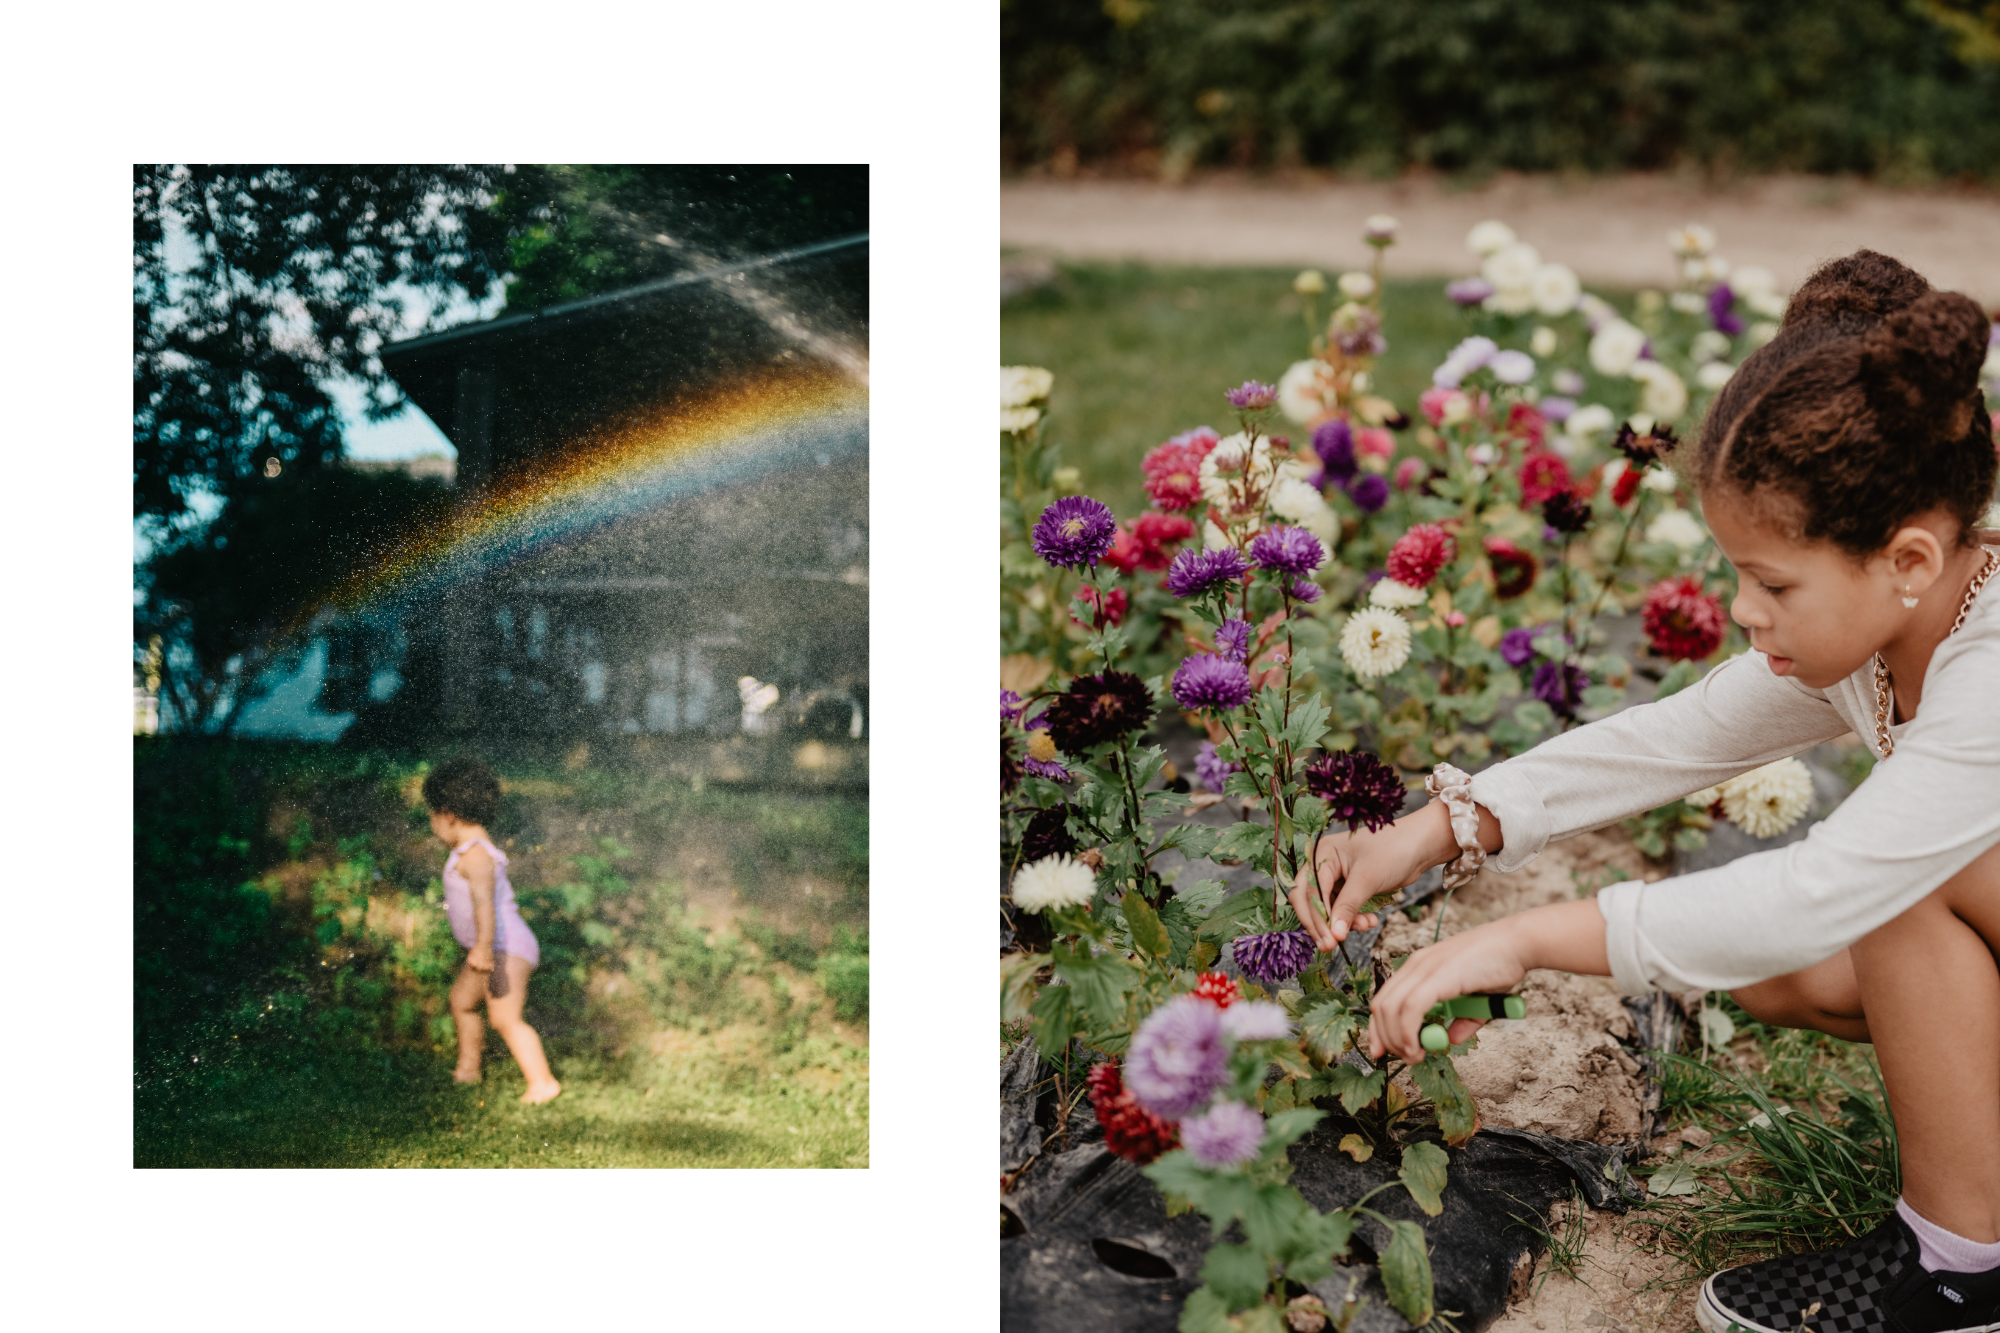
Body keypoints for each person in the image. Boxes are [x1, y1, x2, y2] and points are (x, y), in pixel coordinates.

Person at [1290, 252, 2000, 1333]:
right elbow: (1677, 738)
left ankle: (1959, 1275)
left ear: (1905, 557)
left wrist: (1524, 937)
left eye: (1771, 583)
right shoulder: (1899, 616)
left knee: (1889, 891)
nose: (1742, 610)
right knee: (1789, 975)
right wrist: (1436, 828)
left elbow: (1817, 890)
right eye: (1733, 573)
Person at [421, 757, 561, 1105]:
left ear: (448, 814)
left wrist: (482, 948)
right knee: (462, 1002)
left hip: (504, 946)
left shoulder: (476, 856)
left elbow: (484, 904)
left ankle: (543, 1083)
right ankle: (467, 1071)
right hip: (490, 947)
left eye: (431, 815)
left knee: (504, 1017)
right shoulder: (468, 852)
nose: (431, 823)